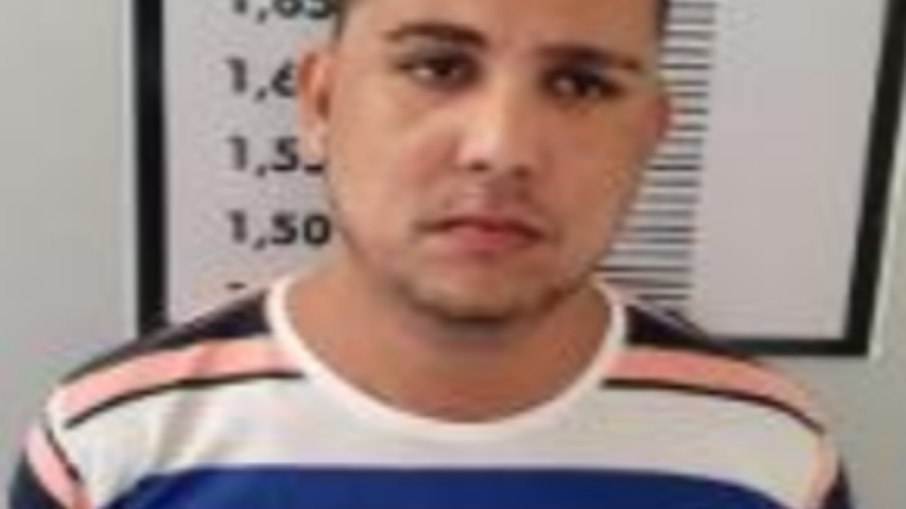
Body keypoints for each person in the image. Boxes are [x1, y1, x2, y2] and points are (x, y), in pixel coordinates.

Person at [10, 0, 852, 507]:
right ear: (321, 101)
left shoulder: (769, 453)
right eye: (438, 66)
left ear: (650, 133)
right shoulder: (115, 444)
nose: (501, 148)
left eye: (581, 84)